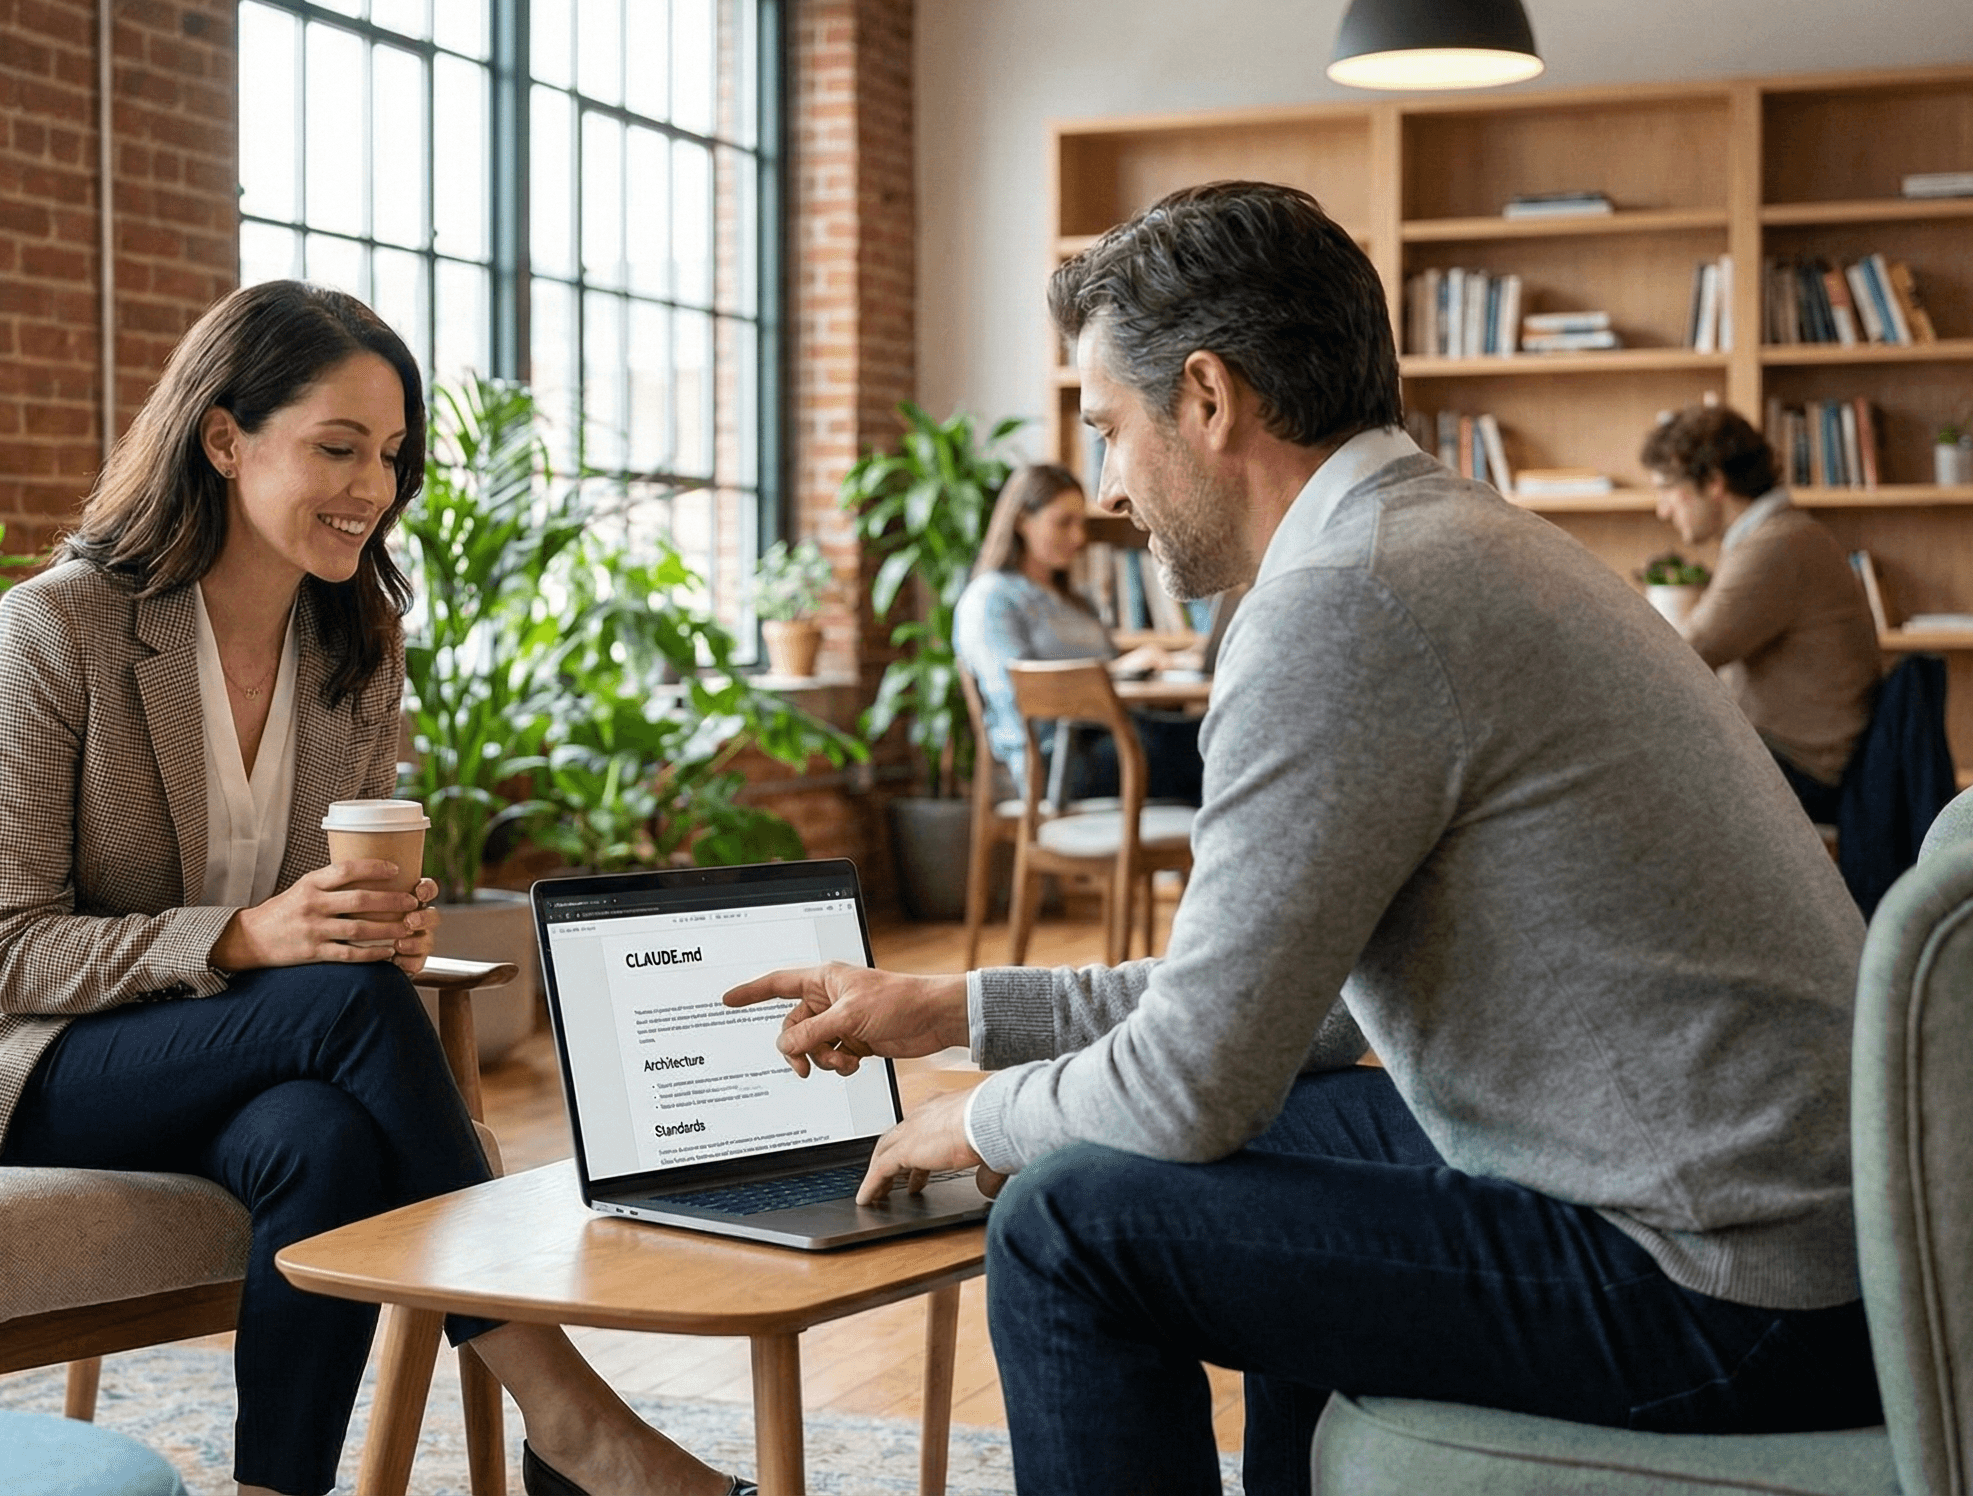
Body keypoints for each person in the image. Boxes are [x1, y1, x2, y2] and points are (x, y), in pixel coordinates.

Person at [724, 183, 1879, 1496]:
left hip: (1725, 1292)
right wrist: (954, 1008)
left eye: (1108, 429)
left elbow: (1187, 1085)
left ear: (1207, 400)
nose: (1107, 489)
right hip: (1805, 1243)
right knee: (1266, 1128)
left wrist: (985, 1120)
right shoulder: (1448, 542)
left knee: (1063, 1224)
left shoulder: (1343, 606)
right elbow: (1271, 1017)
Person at [0, 281, 747, 1496]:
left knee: (322, 1142)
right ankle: (576, 1426)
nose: (371, 486)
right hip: (11, 1058)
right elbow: (3, 947)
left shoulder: (353, 652)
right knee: (343, 1014)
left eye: (389, 455)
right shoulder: (60, 628)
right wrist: (256, 937)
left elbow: (315, 935)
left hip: (228, 1049)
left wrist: (374, 928)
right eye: (335, 446)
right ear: (223, 438)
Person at [1644, 404, 1884, 824]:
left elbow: (1684, 656)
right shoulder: (1778, 535)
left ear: (1714, 483)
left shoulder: (1776, 546)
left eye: (1668, 489)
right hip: (1796, 759)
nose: (1661, 510)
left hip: (1805, 773)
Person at [954, 462, 1205, 805]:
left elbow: (1116, 674)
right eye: (1063, 523)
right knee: (1206, 756)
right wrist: (1116, 669)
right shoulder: (991, 599)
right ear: (1022, 522)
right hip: (1057, 760)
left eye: (1081, 524)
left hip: (1114, 733)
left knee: (1212, 734)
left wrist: (1171, 663)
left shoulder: (1075, 601)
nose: (1079, 538)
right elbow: (1018, 691)